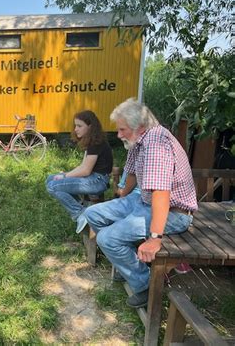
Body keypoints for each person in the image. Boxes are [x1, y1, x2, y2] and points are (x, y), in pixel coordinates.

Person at [83, 98, 197, 308]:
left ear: (139, 126)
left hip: (172, 212)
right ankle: (126, 265)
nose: (119, 135)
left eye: (122, 129)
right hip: (143, 200)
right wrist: (122, 194)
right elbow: (133, 172)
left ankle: (147, 285)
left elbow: (161, 193)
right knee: (93, 214)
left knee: (107, 238)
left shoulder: (156, 143)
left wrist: (155, 239)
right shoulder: (140, 139)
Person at [46, 110, 113, 231]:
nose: (76, 129)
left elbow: (86, 171)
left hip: (97, 181)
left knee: (53, 186)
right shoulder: (91, 141)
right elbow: (83, 166)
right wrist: (66, 174)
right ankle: (81, 207)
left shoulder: (96, 143)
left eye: (79, 126)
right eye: (75, 125)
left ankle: (80, 213)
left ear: (90, 126)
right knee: (50, 179)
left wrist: (65, 177)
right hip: (93, 178)